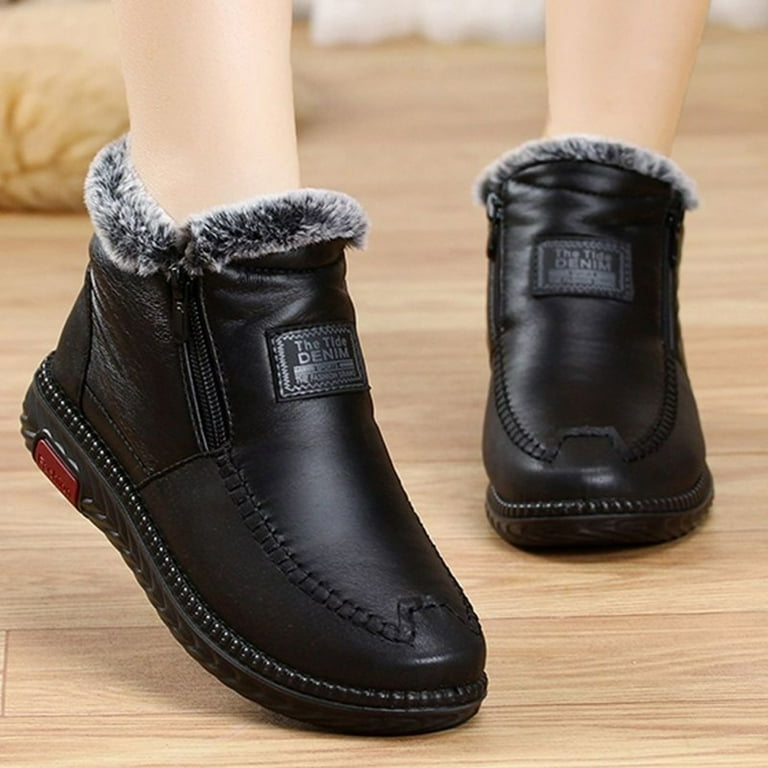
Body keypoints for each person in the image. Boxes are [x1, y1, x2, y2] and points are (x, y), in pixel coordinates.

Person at [20, 0, 712, 734]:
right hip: (180, 300)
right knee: (219, 203)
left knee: (611, 130)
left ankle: (600, 185)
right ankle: (193, 235)